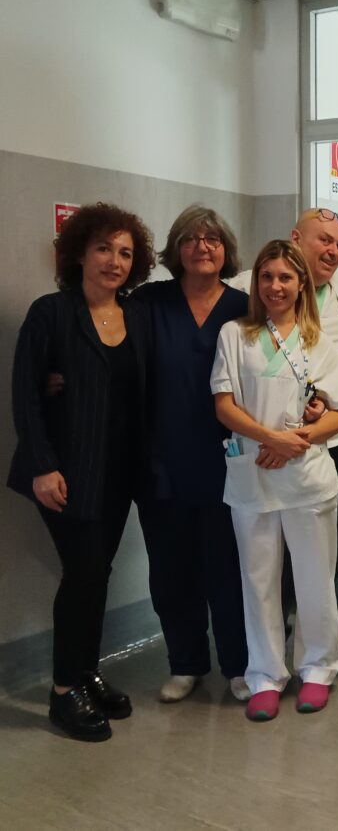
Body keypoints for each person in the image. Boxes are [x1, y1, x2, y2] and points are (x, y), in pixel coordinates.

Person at [8, 203, 154, 741]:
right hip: (67, 473)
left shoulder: (137, 314)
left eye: (125, 253)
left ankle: (85, 673)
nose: (114, 261)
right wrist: (43, 466)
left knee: (97, 573)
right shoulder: (51, 312)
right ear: (79, 254)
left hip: (120, 472)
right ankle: (64, 691)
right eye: (103, 249)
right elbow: (26, 394)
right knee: (85, 572)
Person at [211, 239, 338, 721]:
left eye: (285, 277)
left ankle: (317, 669)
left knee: (315, 580)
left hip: (307, 477)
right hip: (253, 476)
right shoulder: (235, 334)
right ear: (256, 283)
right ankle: (265, 676)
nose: (275, 286)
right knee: (258, 582)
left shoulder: (318, 342)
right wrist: (271, 438)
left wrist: (299, 439)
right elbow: (224, 405)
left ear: (301, 285)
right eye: (267, 276)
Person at [241, 208, 338, 666]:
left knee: (329, 547)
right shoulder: (254, 287)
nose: (334, 251)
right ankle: (276, 640)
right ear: (296, 238)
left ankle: (321, 637)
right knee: (276, 549)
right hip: (280, 441)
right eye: (325, 241)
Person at [133, 205, 250, 704]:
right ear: (175, 249)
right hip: (162, 461)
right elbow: (110, 352)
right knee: (171, 569)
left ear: (226, 250)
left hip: (230, 462)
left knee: (229, 569)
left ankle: (239, 665)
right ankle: (185, 662)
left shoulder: (246, 307)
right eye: (191, 239)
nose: (202, 247)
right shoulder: (149, 302)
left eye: (212, 239)